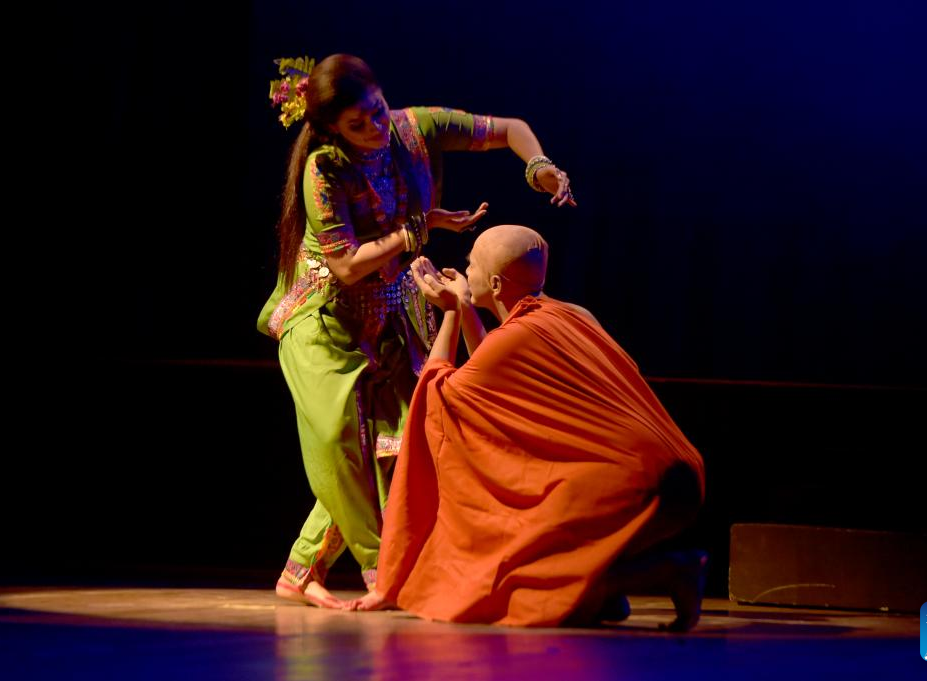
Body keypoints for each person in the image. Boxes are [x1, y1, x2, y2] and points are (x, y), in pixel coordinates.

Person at [257, 55, 575, 609]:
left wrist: (539, 166)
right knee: (341, 441)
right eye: (357, 124)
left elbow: (509, 129)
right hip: (323, 316)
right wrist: (416, 231)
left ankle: (301, 570)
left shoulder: (415, 127)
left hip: (389, 311)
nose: (375, 127)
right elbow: (347, 265)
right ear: (332, 130)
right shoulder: (324, 170)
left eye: (377, 110)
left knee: (402, 442)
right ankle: (382, 571)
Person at [350, 225, 707, 629]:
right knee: (573, 593)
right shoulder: (575, 315)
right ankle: (604, 590)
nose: (465, 270)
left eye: (472, 264)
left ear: (495, 284)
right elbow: (491, 373)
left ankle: (672, 570)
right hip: (679, 471)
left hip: (632, 483)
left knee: (517, 590)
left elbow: (439, 394)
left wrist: (451, 311)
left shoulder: (515, 337)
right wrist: (466, 308)